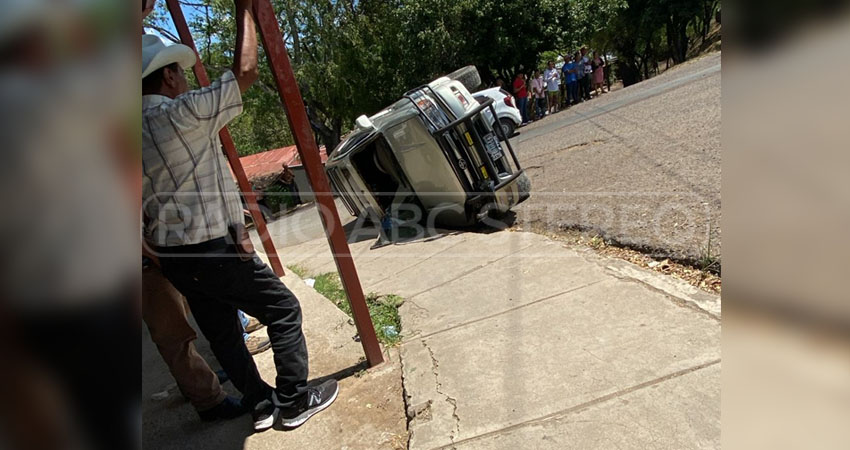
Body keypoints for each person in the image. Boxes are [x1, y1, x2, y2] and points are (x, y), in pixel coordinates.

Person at [141, 0, 338, 433]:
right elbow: (244, 75)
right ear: (169, 75)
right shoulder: (183, 113)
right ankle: (293, 399)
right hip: (212, 250)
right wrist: (245, 12)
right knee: (283, 309)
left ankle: (261, 403)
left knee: (223, 333)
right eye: (179, 73)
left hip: (174, 258)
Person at [144, 261, 246, 421]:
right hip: (145, 269)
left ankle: (193, 383)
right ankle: (209, 400)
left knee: (178, 323)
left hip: (151, 265)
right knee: (174, 337)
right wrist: (164, 262)